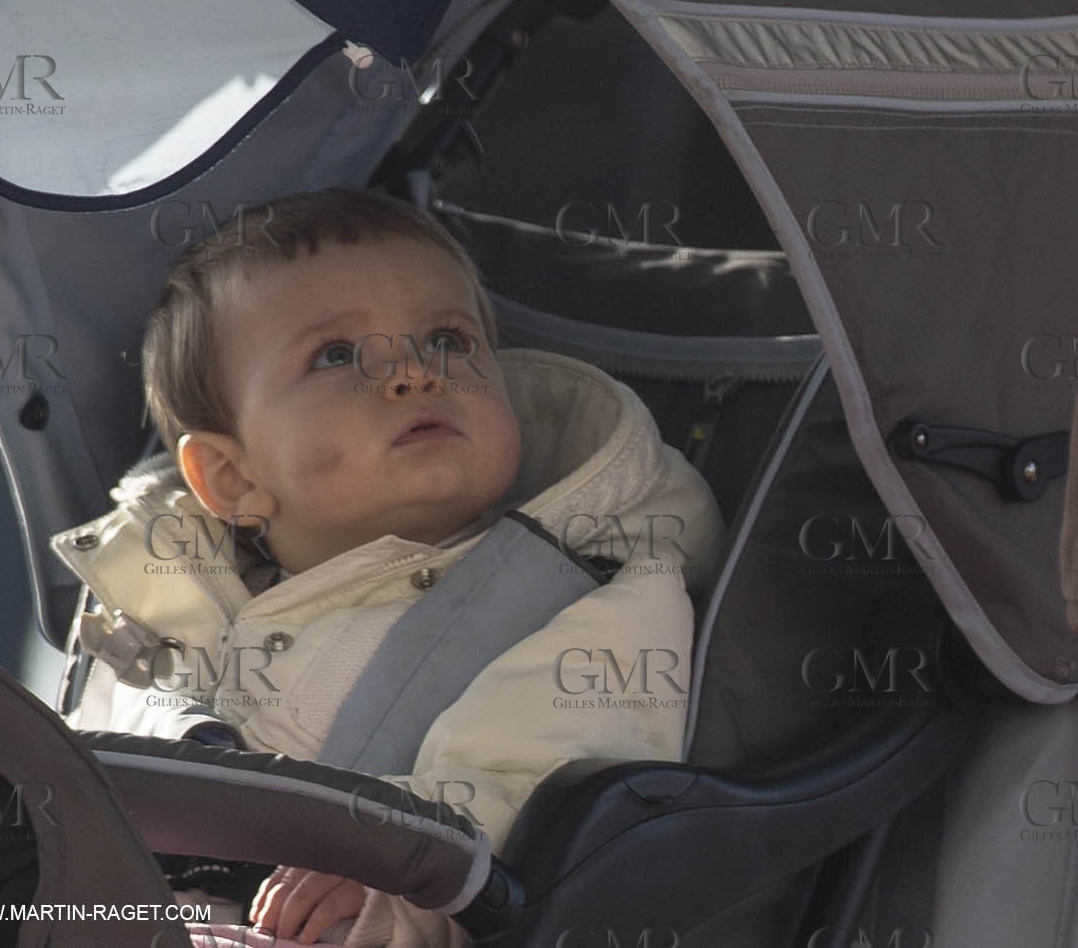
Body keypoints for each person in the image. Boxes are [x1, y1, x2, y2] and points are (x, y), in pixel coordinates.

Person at [52, 188, 726, 946]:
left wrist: (392, 867)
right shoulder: (153, 601)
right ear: (234, 480)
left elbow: (543, 786)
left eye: (448, 340)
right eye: (337, 356)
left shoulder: (589, 596)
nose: (415, 374)